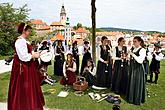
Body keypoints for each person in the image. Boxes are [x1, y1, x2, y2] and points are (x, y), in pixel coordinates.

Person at [8, 22, 45, 110]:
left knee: (29, 87)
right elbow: (23, 56)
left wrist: (35, 54)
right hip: (23, 68)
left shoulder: (25, 41)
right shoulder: (19, 41)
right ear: (24, 31)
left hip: (27, 66)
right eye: (28, 31)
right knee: (23, 88)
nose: (29, 33)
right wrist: (33, 55)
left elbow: (28, 53)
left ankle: (31, 104)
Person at [126, 36, 146, 105]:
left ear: (139, 42)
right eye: (133, 41)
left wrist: (132, 54)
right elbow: (130, 58)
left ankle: (136, 99)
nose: (133, 43)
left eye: (135, 41)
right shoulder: (133, 49)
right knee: (132, 82)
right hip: (132, 68)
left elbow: (140, 61)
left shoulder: (142, 50)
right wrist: (128, 56)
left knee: (137, 84)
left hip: (138, 69)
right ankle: (131, 97)